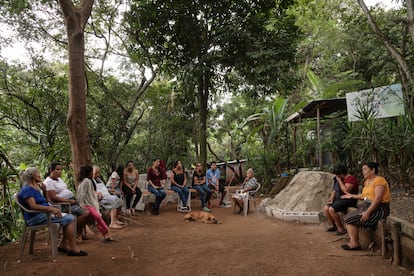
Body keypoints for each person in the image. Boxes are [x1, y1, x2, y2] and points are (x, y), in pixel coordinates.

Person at [18, 167, 87, 256]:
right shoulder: (27, 189)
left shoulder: (35, 188)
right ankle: (73, 248)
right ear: (33, 176)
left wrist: (44, 191)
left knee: (70, 218)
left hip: (43, 214)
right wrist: (51, 209)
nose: (40, 175)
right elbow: (33, 206)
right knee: (71, 218)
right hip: (36, 217)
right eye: (37, 173)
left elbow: (46, 202)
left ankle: (63, 244)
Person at [340, 162, 390, 251]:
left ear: (373, 170)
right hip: (367, 205)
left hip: (379, 208)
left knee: (349, 219)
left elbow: (378, 198)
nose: (363, 172)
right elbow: (364, 196)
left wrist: (367, 212)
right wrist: (351, 195)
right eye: (363, 169)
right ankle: (353, 242)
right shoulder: (367, 181)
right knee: (347, 217)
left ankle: (355, 243)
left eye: (365, 169)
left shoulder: (379, 180)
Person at [44, 161, 90, 241]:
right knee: (85, 213)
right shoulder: (48, 182)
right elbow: (53, 198)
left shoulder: (59, 179)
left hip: (70, 202)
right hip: (62, 205)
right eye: (57, 169)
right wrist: (68, 201)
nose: (60, 171)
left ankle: (77, 233)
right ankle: (76, 234)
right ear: (51, 170)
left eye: (61, 169)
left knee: (89, 211)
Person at [77, 165, 116, 242]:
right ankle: (107, 233)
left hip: (90, 204)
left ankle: (106, 236)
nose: (93, 173)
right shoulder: (86, 181)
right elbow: (82, 195)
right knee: (98, 218)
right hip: (87, 205)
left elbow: (89, 193)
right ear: (88, 173)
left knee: (98, 219)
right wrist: (81, 205)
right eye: (91, 172)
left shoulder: (87, 181)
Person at [323, 164, 359, 235]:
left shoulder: (350, 179)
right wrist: (331, 199)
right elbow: (335, 190)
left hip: (350, 199)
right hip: (341, 198)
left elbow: (346, 190)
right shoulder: (340, 178)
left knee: (331, 209)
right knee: (326, 208)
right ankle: (334, 226)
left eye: (338, 175)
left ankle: (341, 229)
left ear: (341, 174)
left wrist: (339, 181)